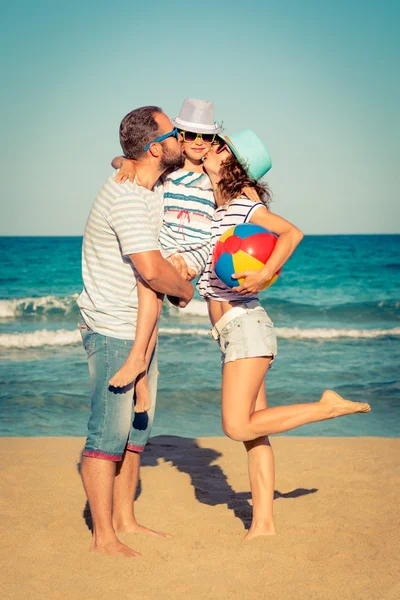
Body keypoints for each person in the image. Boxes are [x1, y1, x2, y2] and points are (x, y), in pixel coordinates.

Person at [197, 130, 371, 540]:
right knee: (255, 434)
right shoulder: (215, 204)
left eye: (220, 146)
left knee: (236, 426)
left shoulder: (244, 205)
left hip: (245, 326)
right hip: (233, 331)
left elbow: (292, 233)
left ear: (233, 164)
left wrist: (264, 272)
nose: (210, 148)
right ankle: (264, 524)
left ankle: (325, 407)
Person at [77, 106, 194, 557]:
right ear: (153, 147)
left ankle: (125, 519)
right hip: (112, 328)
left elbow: (126, 160)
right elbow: (150, 269)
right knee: (108, 433)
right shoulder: (127, 196)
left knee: (137, 429)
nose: (181, 137)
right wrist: (184, 291)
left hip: (139, 327)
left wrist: (121, 158)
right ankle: (103, 537)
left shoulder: (150, 181)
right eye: (173, 132)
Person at [109, 99, 258, 412]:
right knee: (150, 293)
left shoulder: (213, 176)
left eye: (207, 138)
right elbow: (122, 160)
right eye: (190, 135)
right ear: (179, 135)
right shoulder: (169, 169)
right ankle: (141, 375)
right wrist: (124, 163)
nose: (199, 143)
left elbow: (247, 192)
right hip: (165, 241)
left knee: (159, 287)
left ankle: (143, 357)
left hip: (195, 250)